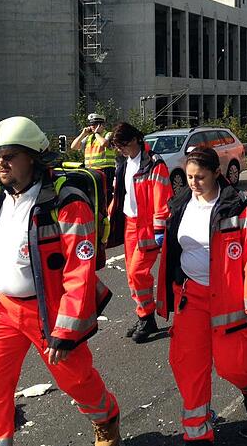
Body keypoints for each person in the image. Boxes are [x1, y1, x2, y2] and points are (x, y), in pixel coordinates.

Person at [0, 116, 120, 446]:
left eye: (9, 156)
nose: (1, 163)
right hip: (1, 310)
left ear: (32, 157)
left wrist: (66, 331)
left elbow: (79, 271)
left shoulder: (66, 203)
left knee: (76, 380)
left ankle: (105, 417)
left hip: (48, 311)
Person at [157, 147, 247, 444]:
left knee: (234, 364)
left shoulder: (239, 207)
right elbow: (172, 250)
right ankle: (197, 433)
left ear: (217, 173)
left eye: (200, 177)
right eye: (189, 177)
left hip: (228, 297)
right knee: (188, 364)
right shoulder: (180, 203)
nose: (193, 183)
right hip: (190, 295)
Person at [109, 122, 172, 342]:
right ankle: (145, 316)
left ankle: (146, 317)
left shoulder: (153, 164)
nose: (121, 150)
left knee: (137, 272)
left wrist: (159, 228)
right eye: (118, 147)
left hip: (146, 226)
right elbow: (121, 194)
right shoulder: (124, 163)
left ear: (135, 139)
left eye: (123, 145)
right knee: (131, 275)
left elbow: (161, 197)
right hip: (129, 224)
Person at [72, 113, 117, 197]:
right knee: (92, 195)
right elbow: (73, 147)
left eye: (94, 124)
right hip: (90, 171)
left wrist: (97, 133)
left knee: (104, 194)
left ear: (101, 125)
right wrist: (83, 134)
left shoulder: (108, 134)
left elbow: (104, 143)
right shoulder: (89, 137)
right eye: (91, 124)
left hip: (105, 170)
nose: (92, 126)